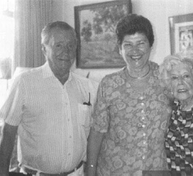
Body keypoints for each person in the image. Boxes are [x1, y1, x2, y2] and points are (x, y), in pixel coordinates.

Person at [0, 21, 98, 176]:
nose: (66, 51)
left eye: (71, 46)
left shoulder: (89, 87)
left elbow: (95, 135)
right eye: (58, 45)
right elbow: (8, 132)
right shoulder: (24, 83)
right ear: (44, 49)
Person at [86, 14, 171, 176]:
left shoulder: (165, 78)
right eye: (128, 45)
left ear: (150, 45)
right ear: (120, 49)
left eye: (141, 43)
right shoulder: (109, 84)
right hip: (114, 171)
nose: (135, 51)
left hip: (155, 170)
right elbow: (97, 132)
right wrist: (90, 171)